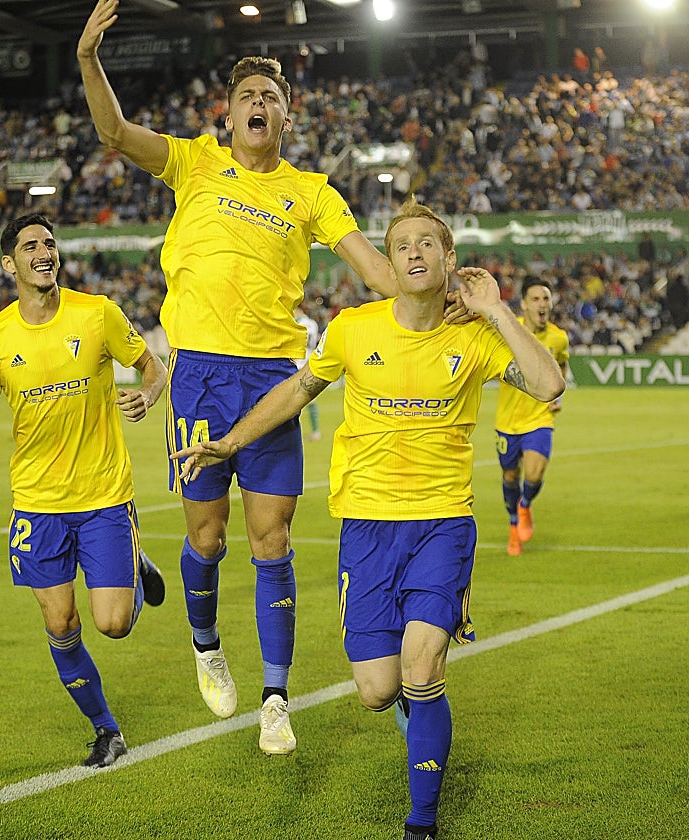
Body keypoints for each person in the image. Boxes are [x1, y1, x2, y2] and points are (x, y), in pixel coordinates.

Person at [79, 0, 464, 755]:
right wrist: (90, 59)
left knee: (270, 537)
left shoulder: (312, 192)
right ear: (227, 115)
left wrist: (451, 295)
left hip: (270, 378)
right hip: (197, 377)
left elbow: (381, 272)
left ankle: (275, 696)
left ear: (288, 118)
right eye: (249, 96)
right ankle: (205, 643)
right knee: (207, 535)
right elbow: (113, 134)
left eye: (272, 99)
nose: (260, 105)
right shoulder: (193, 162)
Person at [172, 198, 564, 840]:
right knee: (378, 690)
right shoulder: (354, 328)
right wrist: (232, 442)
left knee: (420, 663)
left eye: (426, 243)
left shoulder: (475, 333)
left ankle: (422, 822)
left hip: (441, 522)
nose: (413, 252)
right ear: (388, 259)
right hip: (367, 529)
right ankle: (421, 698)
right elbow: (299, 389)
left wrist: (496, 308)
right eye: (401, 243)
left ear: (449, 261)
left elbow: (548, 385)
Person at [0, 214, 169, 768]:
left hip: (102, 496)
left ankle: (133, 560)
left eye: (49, 243)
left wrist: (149, 394)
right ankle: (106, 729)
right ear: (9, 264)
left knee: (113, 624)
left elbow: (152, 365)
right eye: (30, 246)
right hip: (37, 503)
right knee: (60, 624)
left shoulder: (97, 314)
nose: (44, 252)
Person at [494, 277, 571, 556]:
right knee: (510, 476)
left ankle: (525, 506)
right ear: (524, 304)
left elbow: (561, 365)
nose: (542, 304)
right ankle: (514, 527)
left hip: (539, 418)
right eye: (536, 299)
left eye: (546, 298)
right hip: (508, 420)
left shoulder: (558, 337)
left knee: (535, 472)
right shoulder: (508, 332)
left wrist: (557, 396)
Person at [294, 305, 322, 441]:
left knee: (293, 403)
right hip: (309, 364)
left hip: (296, 364)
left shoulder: (296, 323)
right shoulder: (313, 323)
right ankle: (316, 432)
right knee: (311, 400)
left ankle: (294, 435)